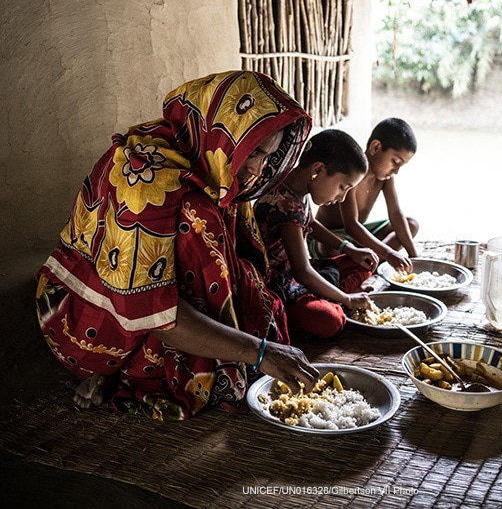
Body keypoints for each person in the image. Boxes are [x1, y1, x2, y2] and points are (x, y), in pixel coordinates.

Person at [35, 71, 319, 421]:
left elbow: (241, 265)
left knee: (245, 279)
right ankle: (115, 370)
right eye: (254, 152)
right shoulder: (144, 177)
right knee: (198, 219)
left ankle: (211, 351)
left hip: (151, 304)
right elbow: (153, 313)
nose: (257, 171)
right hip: (86, 318)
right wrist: (260, 352)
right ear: (223, 131)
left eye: (267, 156)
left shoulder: (215, 163)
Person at [254, 129, 379, 339]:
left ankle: (330, 296)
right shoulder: (285, 203)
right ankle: (336, 299)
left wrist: (349, 248)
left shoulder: (297, 186)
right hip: (281, 287)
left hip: (302, 274)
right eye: (342, 187)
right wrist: (348, 301)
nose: (342, 198)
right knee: (331, 322)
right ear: (318, 169)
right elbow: (302, 271)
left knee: (364, 262)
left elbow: (309, 222)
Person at [314, 117, 419, 272]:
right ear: (375, 147)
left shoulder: (385, 178)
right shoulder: (353, 172)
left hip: (359, 236)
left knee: (411, 225)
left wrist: (414, 257)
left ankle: (363, 264)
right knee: (329, 248)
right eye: (395, 162)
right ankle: (367, 264)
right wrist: (389, 253)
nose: (396, 171)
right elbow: (351, 226)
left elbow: (395, 214)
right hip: (333, 237)